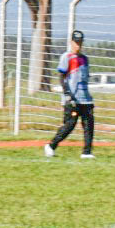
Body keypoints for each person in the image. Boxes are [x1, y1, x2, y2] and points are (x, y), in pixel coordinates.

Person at [44, 29, 96, 159]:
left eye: (80, 42)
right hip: (72, 99)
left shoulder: (85, 59)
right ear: (72, 42)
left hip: (85, 98)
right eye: (76, 42)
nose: (78, 45)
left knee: (89, 124)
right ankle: (51, 145)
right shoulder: (66, 57)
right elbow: (62, 77)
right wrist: (67, 94)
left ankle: (87, 152)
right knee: (69, 125)